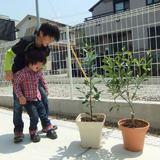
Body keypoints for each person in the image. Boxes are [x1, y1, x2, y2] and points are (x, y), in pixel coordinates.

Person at [4, 22, 59, 143]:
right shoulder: (26, 42)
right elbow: (9, 53)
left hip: (33, 77)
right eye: (49, 38)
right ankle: (18, 130)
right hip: (19, 75)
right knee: (18, 104)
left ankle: (46, 125)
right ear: (41, 33)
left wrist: (40, 78)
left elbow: (43, 65)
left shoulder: (46, 49)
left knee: (44, 98)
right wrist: (8, 70)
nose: (50, 42)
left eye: (52, 40)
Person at [13, 49, 57, 142]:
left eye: (42, 64)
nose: (40, 66)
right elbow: (16, 85)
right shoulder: (21, 73)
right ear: (30, 62)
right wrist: (20, 96)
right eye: (38, 64)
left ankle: (48, 128)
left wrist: (46, 87)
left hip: (38, 99)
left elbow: (42, 79)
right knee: (34, 117)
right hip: (29, 101)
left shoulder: (38, 73)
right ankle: (33, 132)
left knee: (43, 114)